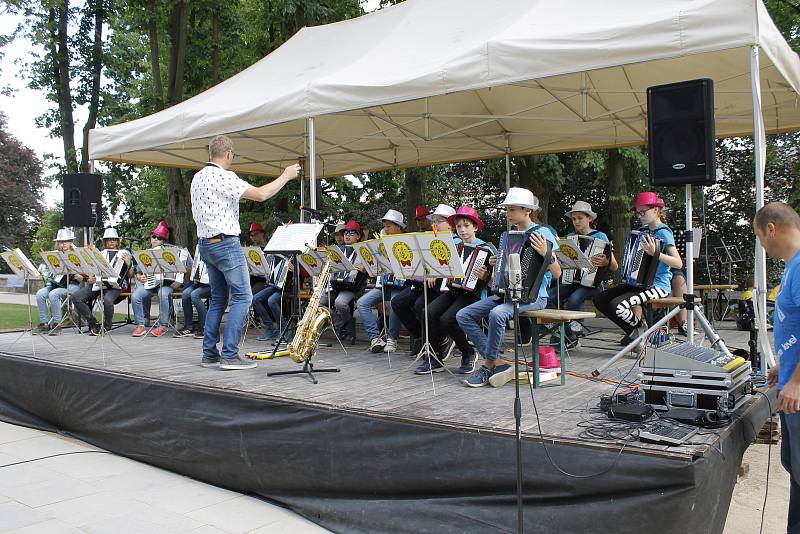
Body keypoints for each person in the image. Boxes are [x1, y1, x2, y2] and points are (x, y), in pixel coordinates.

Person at [190, 134, 299, 370]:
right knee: (243, 297)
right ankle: (229, 355)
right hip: (225, 243)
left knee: (219, 298)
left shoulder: (197, 177)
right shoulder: (224, 176)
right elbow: (261, 195)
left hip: (205, 244)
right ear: (229, 154)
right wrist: (286, 175)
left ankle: (210, 354)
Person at [457, 187, 561, 388]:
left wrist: (546, 253)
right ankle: (497, 362)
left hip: (533, 296)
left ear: (527, 211)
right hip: (506, 294)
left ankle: (487, 365)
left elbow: (557, 272)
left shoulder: (543, 233)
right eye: (507, 209)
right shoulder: (509, 235)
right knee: (463, 315)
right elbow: (506, 268)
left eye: (512, 209)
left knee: (497, 314)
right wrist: (498, 262)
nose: (508, 213)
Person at [754, 202, 800, 533]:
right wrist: (784, 364)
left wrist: (797, 382)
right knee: (795, 470)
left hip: (798, 391)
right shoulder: (791, 266)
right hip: (790, 379)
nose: (762, 245)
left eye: (760, 236)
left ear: (772, 228)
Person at [593, 192, 682, 349]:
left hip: (658, 286)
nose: (640, 216)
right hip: (640, 283)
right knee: (600, 299)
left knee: (618, 306)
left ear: (655, 210)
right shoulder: (643, 231)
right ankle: (638, 330)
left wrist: (656, 254)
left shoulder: (663, 232)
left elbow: (678, 263)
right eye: (638, 213)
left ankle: (640, 330)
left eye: (643, 212)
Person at [415, 205, 494, 374]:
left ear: (475, 227)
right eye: (459, 226)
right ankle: (434, 357)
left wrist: (485, 277)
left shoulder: (486, 249)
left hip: (474, 294)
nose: (462, 230)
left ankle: (468, 352)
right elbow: (443, 268)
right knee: (427, 311)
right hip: (454, 289)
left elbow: (492, 283)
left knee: (448, 318)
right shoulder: (453, 246)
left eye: (466, 226)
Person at [548, 201, 618, 347]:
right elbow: (563, 263)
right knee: (549, 297)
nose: (576, 222)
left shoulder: (601, 236)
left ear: (590, 219)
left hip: (592, 282)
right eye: (574, 219)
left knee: (574, 299)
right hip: (570, 280)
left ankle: (573, 332)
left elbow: (614, 266)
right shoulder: (570, 237)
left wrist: (605, 262)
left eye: (580, 218)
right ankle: (565, 331)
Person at [392, 204, 456, 357]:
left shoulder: (455, 242)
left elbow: (452, 267)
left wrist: (436, 272)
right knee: (398, 302)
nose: (435, 224)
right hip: (422, 284)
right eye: (434, 221)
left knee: (421, 304)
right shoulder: (430, 239)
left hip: (443, 287)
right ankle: (420, 337)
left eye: (439, 221)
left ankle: (438, 339)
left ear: (451, 225)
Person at [357, 209, 407, 353]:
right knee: (362, 303)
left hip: (400, 284)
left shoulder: (407, 240)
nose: (385, 229)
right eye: (385, 226)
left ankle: (392, 339)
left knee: (394, 303)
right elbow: (376, 266)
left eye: (389, 226)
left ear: (399, 227)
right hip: (383, 284)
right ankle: (375, 338)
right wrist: (367, 267)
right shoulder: (381, 241)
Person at [131, 221, 192, 337]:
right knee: (136, 296)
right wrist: (140, 277)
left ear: (163, 240)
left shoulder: (174, 250)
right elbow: (138, 273)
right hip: (150, 282)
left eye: (158, 238)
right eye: (153, 236)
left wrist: (181, 266)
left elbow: (189, 267)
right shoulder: (146, 253)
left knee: (163, 294)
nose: (154, 239)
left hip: (167, 283)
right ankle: (140, 325)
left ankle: (163, 325)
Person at [72, 227, 132, 335]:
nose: (111, 241)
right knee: (76, 297)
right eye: (109, 239)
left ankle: (107, 327)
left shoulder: (124, 253)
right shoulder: (99, 253)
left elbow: (130, 274)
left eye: (114, 239)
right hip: (97, 284)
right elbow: (91, 271)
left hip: (115, 286)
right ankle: (93, 323)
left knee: (108, 300)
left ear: (118, 241)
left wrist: (128, 264)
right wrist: (90, 278)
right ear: (105, 241)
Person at [33, 228, 84, 335]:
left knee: (53, 294)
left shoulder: (78, 254)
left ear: (71, 242)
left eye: (66, 241)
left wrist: (75, 273)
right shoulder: (55, 254)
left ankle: (57, 324)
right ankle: (44, 324)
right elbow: (50, 272)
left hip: (72, 285)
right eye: (61, 242)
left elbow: (83, 278)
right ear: (58, 243)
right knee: (40, 294)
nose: (63, 244)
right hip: (56, 284)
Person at [323, 220, 367, 339]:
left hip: (353, 286)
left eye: (352, 233)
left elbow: (374, 269)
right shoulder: (338, 249)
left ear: (358, 236)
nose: (347, 235)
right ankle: (344, 322)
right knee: (318, 303)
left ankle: (341, 324)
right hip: (335, 284)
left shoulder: (364, 250)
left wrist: (365, 269)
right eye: (346, 233)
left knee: (340, 303)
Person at [174, 244, 210, 339]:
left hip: (214, 284)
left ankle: (205, 326)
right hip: (200, 282)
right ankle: (189, 326)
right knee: (185, 293)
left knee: (195, 295)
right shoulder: (199, 246)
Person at [248, 222, 269, 295]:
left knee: (252, 294)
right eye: (251, 236)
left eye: (256, 234)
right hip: (252, 280)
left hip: (264, 281)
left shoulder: (269, 248)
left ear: (262, 234)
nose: (253, 238)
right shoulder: (250, 250)